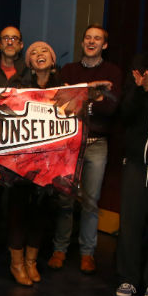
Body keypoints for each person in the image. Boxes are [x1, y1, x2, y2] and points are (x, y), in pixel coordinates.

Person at [48, 24, 122, 273]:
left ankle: (87, 253)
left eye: (97, 39)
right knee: (65, 198)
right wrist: (94, 95)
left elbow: (110, 108)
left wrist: (81, 96)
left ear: (105, 45)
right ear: (82, 43)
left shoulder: (113, 72)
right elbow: (60, 105)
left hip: (96, 144)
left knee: (91, 201)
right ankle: (59, 249)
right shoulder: (68, 70)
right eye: (88, 38)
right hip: (68, 143)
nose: (92, 42)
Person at [7, 41, 62, 285]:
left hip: (51, 162)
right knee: (19, 212)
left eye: (44, 52)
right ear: (28, 62)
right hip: (21, 162)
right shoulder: (18, 86)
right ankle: (16, 264)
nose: (39, 55)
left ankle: (31, 262)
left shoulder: (62, 88)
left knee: (41, 213)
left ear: (52, 60)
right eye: (34, 53)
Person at [115, 29, 148, 296]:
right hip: (137, 161)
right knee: (130, 221)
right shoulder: (140, 63)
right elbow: (125, 113)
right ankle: (128, 278)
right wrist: (141, 91)